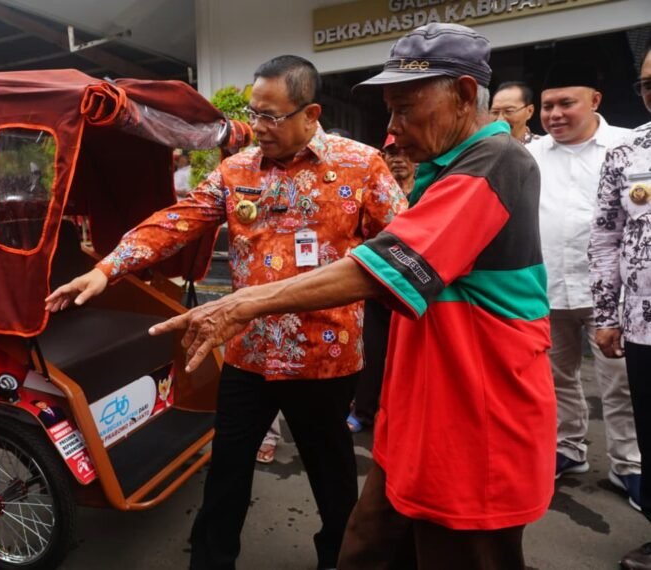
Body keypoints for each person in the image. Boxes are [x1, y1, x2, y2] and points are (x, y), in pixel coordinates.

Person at [151, 23, 556, 569]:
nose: (392, 128)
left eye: (404, 109)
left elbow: (386, 265)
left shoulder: (496, 162)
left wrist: (241, 304)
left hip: (472, 418)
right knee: (364, 544)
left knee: (446, 548)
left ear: (464, 94)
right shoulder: (442, 168)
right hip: (417, 412)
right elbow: (181, 218)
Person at [46, 54, 405, 570]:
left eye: (271, 116)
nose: (259, 126)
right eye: (254, 114)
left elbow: (404, 248)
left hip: (324, 357)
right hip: (246, 351)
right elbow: (177, 220)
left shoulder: (361, 165)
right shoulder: (236, 171)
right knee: (227, 470)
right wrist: (107, 268)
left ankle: (340, 559)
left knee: (332, 477)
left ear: (311, 114)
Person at [525, 62, 640, 506]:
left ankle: (629, 464)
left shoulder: (629, 146)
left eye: (565, 104)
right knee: (556, 378)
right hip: (547, 287)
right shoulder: (530, 154)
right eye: (547, 106)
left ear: (595, 101)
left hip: (611, 294)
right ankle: (567, 448)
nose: (554, 115)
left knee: (620, 382)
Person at [588, 46, 651, 569]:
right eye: (648, 83)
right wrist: (607, 316)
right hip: (643, 328)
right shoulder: (627, 152)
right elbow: (606, 238)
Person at [346, 134, 416, 433]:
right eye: (391, 153)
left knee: (409, 357)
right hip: (377, 282)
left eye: (403, 152)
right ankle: (363, 411)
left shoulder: (425, 190)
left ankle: (402, 416)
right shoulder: (372, 191)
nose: (398, 159)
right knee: (372, 351)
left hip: (413, 285)